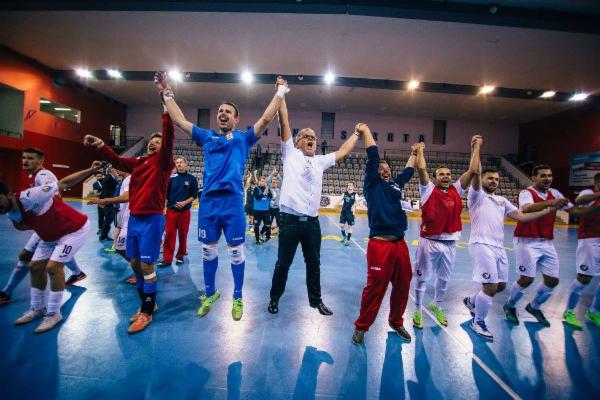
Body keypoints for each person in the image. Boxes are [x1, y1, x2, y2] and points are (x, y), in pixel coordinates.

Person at [159, 73, 288, 321]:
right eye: (220, 110)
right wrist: (167, 93)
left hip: (232, 203)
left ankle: (237, 296)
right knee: (207, 252)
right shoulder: (206, 136)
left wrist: (280, 92)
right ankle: (210, 293)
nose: (223, 113)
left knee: (236, 253)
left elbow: (265, 118)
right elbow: (179, 120)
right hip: (208, 203)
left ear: (236, 119)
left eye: (228, 111)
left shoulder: (243, 139)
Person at [83, 74, 174, 333]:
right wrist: (101, 145)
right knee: (134, 264)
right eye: (152, 142)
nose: (154, 144)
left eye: (158, 143)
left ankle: (147, 311)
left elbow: (169, 133)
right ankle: (146, 302)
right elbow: (116, 160)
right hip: (134, 219)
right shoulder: (139, 163)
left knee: (146, 265)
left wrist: (165, 98)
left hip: (152, 219)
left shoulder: (163, 163)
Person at [267, 94, 360, 316]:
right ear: (297, 141)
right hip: (289, 222)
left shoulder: (320, 161)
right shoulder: (290, 154)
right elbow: (284, 122)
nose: (311, 139)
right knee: (283, 264)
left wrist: (356, 133)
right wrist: (281, 94)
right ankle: (274, 298)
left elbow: (343, 151)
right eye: (306, 136)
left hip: (311, 223)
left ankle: (316, 301)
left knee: (314, 263)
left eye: (314, 138)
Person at [0, 162, 101, 332]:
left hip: (74, 229)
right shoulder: (11, 213)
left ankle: (54, 313)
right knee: (34, 266)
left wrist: (91, 170)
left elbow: (64, 183)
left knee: (53, 267)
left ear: (10, 195)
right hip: (50, 234)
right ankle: (37, 308)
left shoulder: (31, 196)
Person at [462, 166, 556, 339]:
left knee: (500, 286)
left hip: (499, 247)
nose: (494, 181)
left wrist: (547, 211)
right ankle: (478, 322)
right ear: (482, 180)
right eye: (490, 178)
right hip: (481, 245)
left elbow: (522, 217)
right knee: (490, 287)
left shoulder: (502, 200)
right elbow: (475, 172)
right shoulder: (476, 196)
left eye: (497, 179)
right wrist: (476, 153)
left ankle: (471, 301)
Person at [351, 126, 417, 345]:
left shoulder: (396, 185)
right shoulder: (372, 185)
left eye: (388, 168)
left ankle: (396, 321)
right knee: (375, 287)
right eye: (381, 167)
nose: (385, 170)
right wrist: (366, 131)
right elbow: (373, 155)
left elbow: (408, 171)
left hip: (400, 244)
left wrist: (414, 153)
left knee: (404, 283)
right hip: (380, 245)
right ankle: (362, 326)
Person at [0, 148, 86, 306]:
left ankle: (7, 292)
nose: (25, 161)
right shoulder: (32, 177)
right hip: (43, 223)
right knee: (45, 252)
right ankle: (77, 272)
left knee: (33, 257)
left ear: (41, 161)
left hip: (50, 222)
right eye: (24, 158)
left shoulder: (43, 175)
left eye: (30, 158)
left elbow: (53, 198)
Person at [412, 135, 481, 329]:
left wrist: (476, 147)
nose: (446, 177)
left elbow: (473, 171)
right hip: (429, 242)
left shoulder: (456, 190)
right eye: (441, 174)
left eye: (448, 174)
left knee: (443, 279)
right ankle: (417, 310)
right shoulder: (428, 190)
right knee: (422, 278)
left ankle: (437, 305)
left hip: (450, 243)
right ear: (435, 178)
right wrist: (420, 151)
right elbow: (422, 169)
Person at [504, 164, 578, 327]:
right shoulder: (526, 193)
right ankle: (509, 305)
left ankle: (534, 306)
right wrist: (552, 203)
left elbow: (575, 211)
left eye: (550, 175)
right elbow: (527, 208)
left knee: (552, 280)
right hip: (526, 240)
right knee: (527, 279)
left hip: (546, 242)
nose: (547, 178)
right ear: (534, 178)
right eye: (543, 176)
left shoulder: (555, 193)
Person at [563, 173, 600, 328]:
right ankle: (569, 311)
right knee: (584, 278)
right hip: (589, 240)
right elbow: (579, 201)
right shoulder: (588, 193)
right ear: (597, 183)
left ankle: (594, 311)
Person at [158, 156, 198, 267]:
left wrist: (184, 203)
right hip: (171, 211)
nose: (179, 164)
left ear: (185, 164)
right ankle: (167, 259)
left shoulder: (191, 179)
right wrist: (164, 207)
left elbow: (194, 195)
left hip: (184, 212)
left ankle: (180, 256)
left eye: (181, 162)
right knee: (169, 235)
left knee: (183, 235)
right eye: (177, 162)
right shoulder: (171, 178)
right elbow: (166, 195)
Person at [98, 167, 119, 241]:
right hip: (109, 202)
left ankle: (104, 235)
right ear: (111, 170)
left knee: (108, 219)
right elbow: (109, 191)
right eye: (115, 170)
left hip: (106, 201)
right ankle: (103, 236)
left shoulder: (108, 178)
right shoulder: (110, 179)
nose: (116, 171)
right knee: (108, 219)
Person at [253, 176, 273, 244]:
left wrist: (268, 192)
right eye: (262, 181)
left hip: (266, 210)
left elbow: (271, 197)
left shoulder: (266, 188)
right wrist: (264, 193)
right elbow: (257, 198)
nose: (263, 182)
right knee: (256, 225)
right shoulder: (256, 188)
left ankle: (261, 233)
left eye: (264, 181)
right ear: (259, 181)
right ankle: (257, 240)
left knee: (268, 224)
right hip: (257, 211)